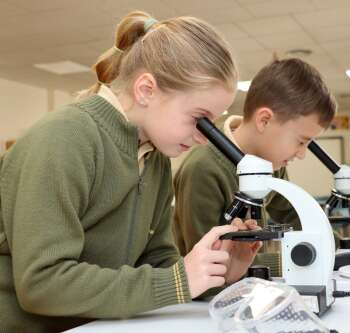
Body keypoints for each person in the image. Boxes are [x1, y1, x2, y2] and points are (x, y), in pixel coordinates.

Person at [0, 11, 260, 332]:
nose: (206, 136)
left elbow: (154, 264)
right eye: (199, 118)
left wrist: (218, 272)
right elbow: (42, 284)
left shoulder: (155, 157)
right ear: (146, 90)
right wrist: (179, 280)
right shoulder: (65, 139)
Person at [173, 58, 341, 284]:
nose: (301, 154)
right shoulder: (203, 169)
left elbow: (295, 214)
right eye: (301, 142)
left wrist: (340, 247)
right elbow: (207, 269)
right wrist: (287, 260)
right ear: (264, 120)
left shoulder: (271, 163)